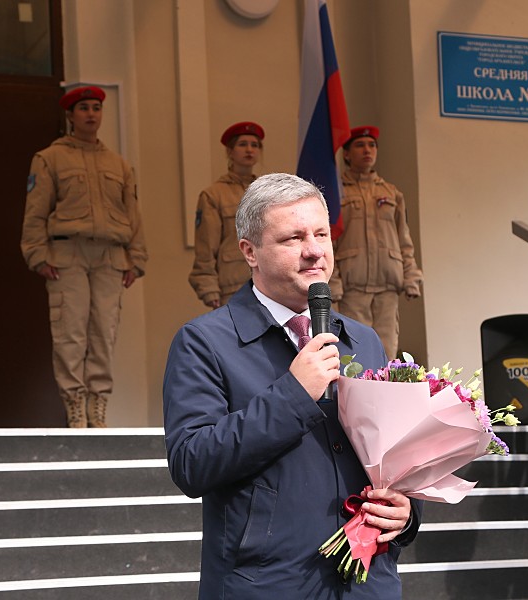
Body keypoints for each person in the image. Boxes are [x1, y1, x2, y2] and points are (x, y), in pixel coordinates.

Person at [164, 173, 422, 598]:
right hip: (267, 584)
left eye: (322, 233)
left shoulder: (365, 340)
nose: (314, 250)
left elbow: (397, 457)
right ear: (250, 251)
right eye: (293, 238)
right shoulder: (204, 342)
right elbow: (193, 463)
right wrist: (293, 395)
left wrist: (407, 513)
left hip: (367, 583)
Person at [21, 85, 147, 428]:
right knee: (71, 332)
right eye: (84, 108)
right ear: (70, 116)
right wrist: (36, 255)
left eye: (96, 107)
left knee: (103, 333)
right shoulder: (50, 158)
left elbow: (132, 214)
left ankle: (98, 406)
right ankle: (75, 406)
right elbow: (35, 213)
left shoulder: (117, 164)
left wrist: (136, 259)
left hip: (110, 257)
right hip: (68, 255)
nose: (91, 114)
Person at [330, 126, 424, 360]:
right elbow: (329, 239)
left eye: (372, 145)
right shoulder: (336, 192)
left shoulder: (391, 193)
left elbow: (404, 239)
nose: (367, 150)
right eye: (360, 146)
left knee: (388, 352)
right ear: (347, 154)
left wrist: (411, 277)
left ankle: (387, 396)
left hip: (387, 286)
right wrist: (333, 282)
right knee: (355, 352)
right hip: (354, 287)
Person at [188, 121, 264, 309]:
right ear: (230, 152)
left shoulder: (266, 192)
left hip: (268, 283)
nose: (249, 150)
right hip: (232, 286)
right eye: (242, 144)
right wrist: (208, 287)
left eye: (254, 145)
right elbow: (206, 246)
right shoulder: (214, 195)